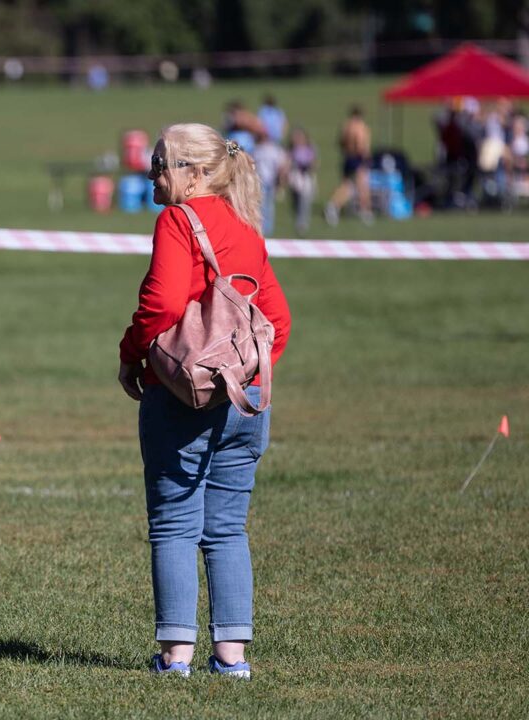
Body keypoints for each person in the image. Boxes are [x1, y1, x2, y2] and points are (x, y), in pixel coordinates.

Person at [117, 123, 291, 679]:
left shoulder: (177, 219)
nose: (151, 174)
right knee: (227, 527)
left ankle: (176, 657)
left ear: (194, 174)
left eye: (161, 163)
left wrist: (131, 353)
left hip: (182, 399)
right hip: (247, 400)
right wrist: (243, 374)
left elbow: (163, 302)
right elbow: (279, 321)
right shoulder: (246, 225)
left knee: (173, 524)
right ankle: (232, 658)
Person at [325, 105, 372, 225]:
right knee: (362, 185)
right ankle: (364, 211)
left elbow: (340, 142)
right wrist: (365, 156)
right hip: (358, 157)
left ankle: (334, 205)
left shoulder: (345, 126)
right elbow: (360, 143)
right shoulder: (360, 126)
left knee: (347, 185)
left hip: (347, 157)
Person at [287, 127, 318, 236]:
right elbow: (288, 162)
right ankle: (298, 221)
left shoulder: (309, 148)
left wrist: (308, 166)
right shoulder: (292, 150)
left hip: (306, 177)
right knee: (296, 202)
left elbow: (313, 163)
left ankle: (302, 224)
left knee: (304, 201)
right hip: (296, 177)